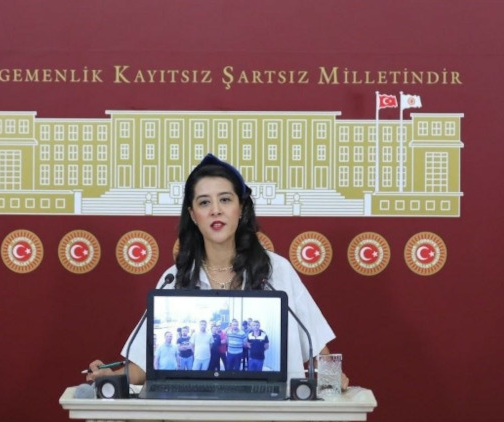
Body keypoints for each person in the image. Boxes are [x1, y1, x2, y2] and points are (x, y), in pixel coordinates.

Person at [85, 154, 349, 390]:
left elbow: (317, 346)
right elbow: (144, 365)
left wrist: (332, 379)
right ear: (193, 215)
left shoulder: (276, 271)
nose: (215, 210)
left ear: (241, 208)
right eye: (204, 203)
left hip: (273, 412)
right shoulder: (174, 278)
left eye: (225, 199)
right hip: (194, 414)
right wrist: (112, 376)